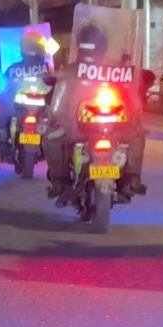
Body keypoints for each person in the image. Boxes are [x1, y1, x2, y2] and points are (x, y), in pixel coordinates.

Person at [42, 22, 147, 201]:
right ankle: (131, 178)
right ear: (104, 46)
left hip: (98, 127)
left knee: (51, 138)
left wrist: (135, 112)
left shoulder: (108, 70)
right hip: (92, 128)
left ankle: (61, 182)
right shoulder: (111, 70)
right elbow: (58, 102)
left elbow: (131, 98)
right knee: (137, 135)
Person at [0, 31, 54, 162]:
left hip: (20, 108)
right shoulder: (47, 68)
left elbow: (3, 89)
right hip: (40, 108)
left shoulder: (13, 68)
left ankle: (3, 148)